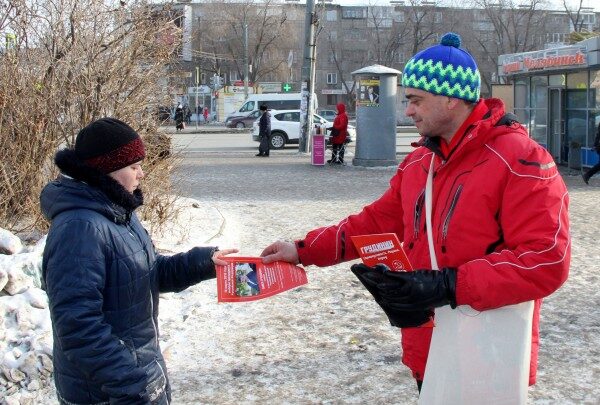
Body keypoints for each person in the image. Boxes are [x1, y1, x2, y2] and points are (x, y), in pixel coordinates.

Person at [261, 33, 570, 393]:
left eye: (416, 100)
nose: (408, 110)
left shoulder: (520, 159)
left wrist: (447, 286)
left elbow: (547, 259)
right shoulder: (420, 161)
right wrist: (302, 250)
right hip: (428, 343)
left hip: (488, 352)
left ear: (452, 99)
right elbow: (374, 223)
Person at [40, 117, 237, 404]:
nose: (142, 174)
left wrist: (205, 262)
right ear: (106, 171)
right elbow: (78, 327)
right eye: (133, 166)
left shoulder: (117, 212)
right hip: (106, 391)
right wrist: (132, 380)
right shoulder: (80, 227)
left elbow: (148, 272)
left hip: (136, 375)